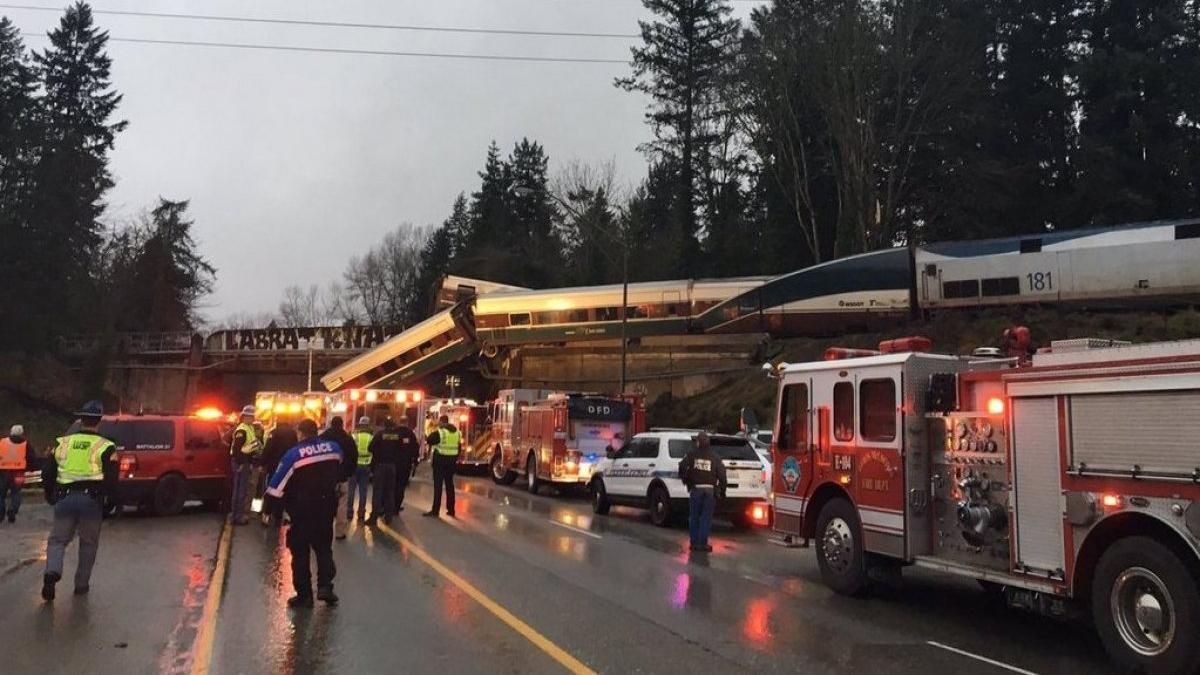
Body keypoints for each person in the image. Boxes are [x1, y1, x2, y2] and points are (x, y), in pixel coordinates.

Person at [41, 401, 119, 601]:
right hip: (91, 501)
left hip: (64, 498)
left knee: (57, 540)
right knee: (88, 544)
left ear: (81, 419)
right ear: (99, 421)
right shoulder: (106, 446)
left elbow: (47, 472)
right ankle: (81, 585)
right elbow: (111, 478)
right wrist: (110, 501)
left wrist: (49, 494)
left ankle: (52, 572)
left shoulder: (62, 443)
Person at [264, 419, 341, 608]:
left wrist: (269, 510)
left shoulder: (293, 455)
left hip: (302, 511)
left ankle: (305, 596)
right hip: (326, 508)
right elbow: (341, 467)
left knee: (300, 553)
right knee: (323, 548)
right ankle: (325, 586)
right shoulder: (333, 448)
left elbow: (276, 487)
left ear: (301, 433)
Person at [677, 431, 726, 553]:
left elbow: (682, 466)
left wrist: (686, 479)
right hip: (710, 490)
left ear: (698, 442)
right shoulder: (714, 456)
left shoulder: (691, 455)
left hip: (696, 489)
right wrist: (722, 490)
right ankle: (703, 544)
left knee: (694, 517)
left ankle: (694, 543)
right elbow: (722, 474)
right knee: (706, 518)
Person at [320, 416, 357, 540]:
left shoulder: (323, 438)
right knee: (342, 504)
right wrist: (349, 473)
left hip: (325, 478)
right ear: (342, 425)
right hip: (342, 477)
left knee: (324, 504)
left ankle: (322, 530)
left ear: (331, 424)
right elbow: (353, 457)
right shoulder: (348, 439)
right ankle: (339, 532)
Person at [229, 405, 262, 525]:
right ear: (245, 417)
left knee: (242, 489)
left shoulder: (249, 428)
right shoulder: (242, 430)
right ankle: (237, 517)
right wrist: (241, 463)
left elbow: (250, 446)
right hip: (241, 463)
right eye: (250, 417)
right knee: (240, 491)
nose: (252, 419)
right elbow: (237, 450)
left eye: (253, 416)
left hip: (246, 461)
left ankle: (237, 515)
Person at [259, 421, 297, 527]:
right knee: (285, 490)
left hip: (275, 466)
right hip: (289, 467)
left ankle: (267, 514)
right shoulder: (293, 433)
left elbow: (268, 449)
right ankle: (279, 515)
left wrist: (262, 463)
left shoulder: (274, 433)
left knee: (272, 489)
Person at [424, 415, 462, 519]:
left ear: (441, 422)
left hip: (440, 461)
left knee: (438, 486)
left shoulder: (440, 432)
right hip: (451, 462)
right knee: (450, 485)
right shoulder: (457, 433)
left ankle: (435, 510)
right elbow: (459, 448)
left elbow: (429, 439)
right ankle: (451, 510)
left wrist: (435, 429)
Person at [366, 418, 403, 525]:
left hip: (380, 466)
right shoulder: (397, 435)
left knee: (378, 491)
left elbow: (370, 448)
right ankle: (388, 517)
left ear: (384, 425)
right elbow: (401, 449)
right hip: (392, 466)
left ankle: (374, 517)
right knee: (390, 492)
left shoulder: (380, 435)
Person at [0, 424, 35, 523]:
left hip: (4, 472)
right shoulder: (26, 443)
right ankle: (13, 509)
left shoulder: (2, 442)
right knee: (16, 492)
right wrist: (31, 468)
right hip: (19, 472)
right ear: (21, 433)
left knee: (1, 494)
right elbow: (31, 457)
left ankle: (0, 513)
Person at [390, 419, 420, 515]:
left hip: (393, 463)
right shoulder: (410, 434)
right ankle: (396, 507)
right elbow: (415, 448)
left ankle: (389, 506)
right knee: (401, 486)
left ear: (399, 423)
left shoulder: (393, 432)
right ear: (406, 423)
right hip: (405, 464)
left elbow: (387, 445)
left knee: (391, 486)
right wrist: (415, 461)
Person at [348, 417, 372, 521]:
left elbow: (350, 451)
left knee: (351, 490)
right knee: (363, 491)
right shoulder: (371, 437)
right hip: (366, 466)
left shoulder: (354, 436)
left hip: (354, 466)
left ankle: (349, 511)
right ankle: (361, 513)